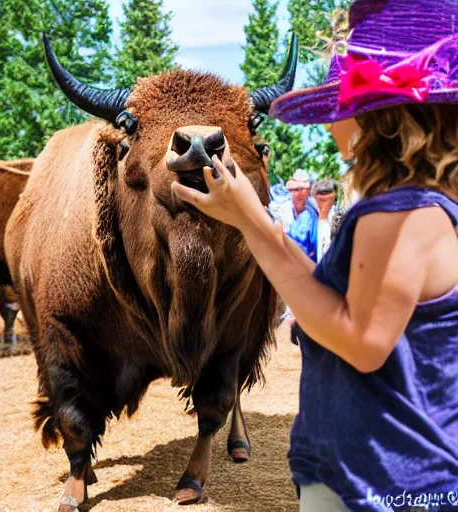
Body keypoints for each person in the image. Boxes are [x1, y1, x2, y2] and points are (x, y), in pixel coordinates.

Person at [171, 0, 458, 510]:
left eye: (341, 101)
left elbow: (362, 339)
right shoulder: (429, 207)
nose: (330, 122)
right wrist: (248, 216)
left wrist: (250, 220)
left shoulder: (395, 214)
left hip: (377, 483)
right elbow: (335, 299)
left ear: (381, 116)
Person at [313, 178, 341, 261]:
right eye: (321, 193)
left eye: (326, 193)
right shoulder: (311, 215)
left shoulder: (338, 217)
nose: (324, 197)